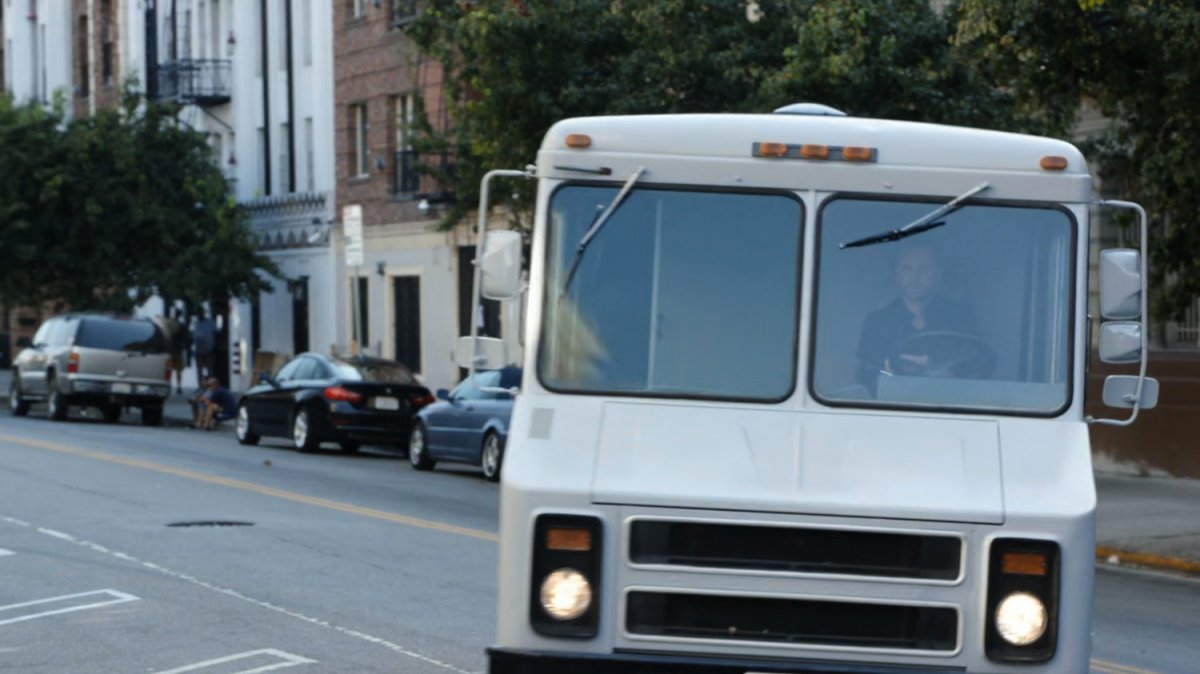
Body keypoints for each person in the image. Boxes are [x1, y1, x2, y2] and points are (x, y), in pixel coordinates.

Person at [855, 244, 987, 395]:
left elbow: (979, 364)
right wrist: (889, 374)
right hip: (894, 403)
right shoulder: (878, 322)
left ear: (938, 273)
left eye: (923, 269)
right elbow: (866, 374)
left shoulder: (959, 316)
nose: (914, 278)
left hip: (949, 402)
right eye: (907, 269)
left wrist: (936, 365)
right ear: (896, 274)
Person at [192, 311, 217, 381]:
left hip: (209, 350)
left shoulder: (210, 322)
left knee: (209, 369)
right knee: (200, 370)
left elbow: (216, 334)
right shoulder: (196, 323)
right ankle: (201, 384)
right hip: (200, 350)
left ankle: (209, 383)